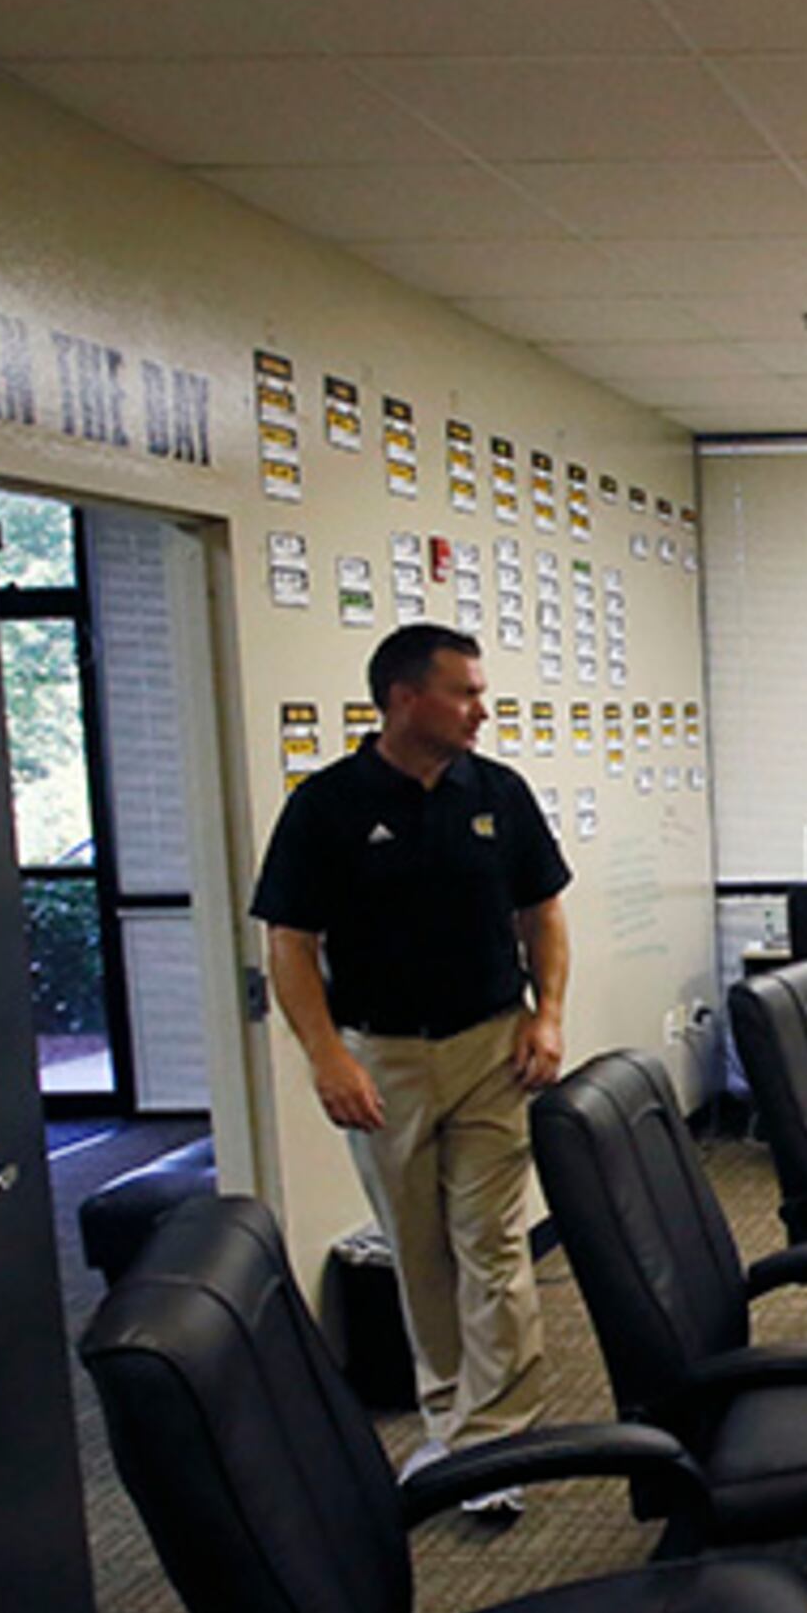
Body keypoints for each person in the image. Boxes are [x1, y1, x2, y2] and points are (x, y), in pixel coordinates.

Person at [251, 623, 569, 1515]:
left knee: (493, 1240)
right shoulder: (328, 805)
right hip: (382, 1054)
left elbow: (542, 911)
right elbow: (291, 943)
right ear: (403, 697)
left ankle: (494, 1440)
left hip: (489, 1044)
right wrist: (326, 1057)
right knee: (418, 1246)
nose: (481, 707)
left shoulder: (496, 793)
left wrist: (547, 1014)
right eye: (465, 691)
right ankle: (447, 1419)